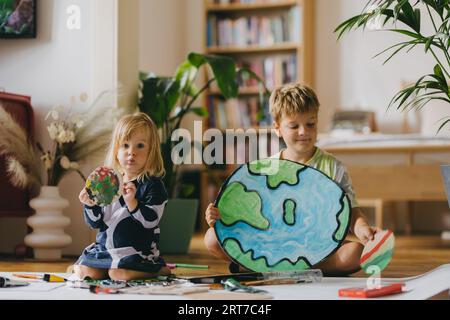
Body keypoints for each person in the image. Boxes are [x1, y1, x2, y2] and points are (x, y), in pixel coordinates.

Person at [204, 83, 380, 276]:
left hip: (322, 247)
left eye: (310, 124)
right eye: (294, 126)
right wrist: (217, 216)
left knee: (356, 253)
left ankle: (268, 268)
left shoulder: (333, 166)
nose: (303, 131)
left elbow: (352, 211)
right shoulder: (265, 169)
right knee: (212, 239)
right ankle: (287, 268)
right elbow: (245, 213)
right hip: (273, 245)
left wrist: (363, 229)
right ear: (278, 128)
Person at [74, 112, 171, 281]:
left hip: (138, 251)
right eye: (125, 145)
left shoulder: (153, 185)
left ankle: (157, 270)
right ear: (116, 150)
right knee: (87, 273)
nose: (131, 152)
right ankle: (104, 267)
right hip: (107, 249)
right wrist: (89, 204)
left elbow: (151, 221)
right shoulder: (108, 182)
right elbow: (95, 222)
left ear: (151, 151)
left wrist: (132, 203)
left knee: (118, 274)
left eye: (139, 146)